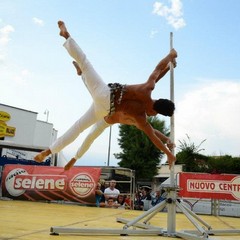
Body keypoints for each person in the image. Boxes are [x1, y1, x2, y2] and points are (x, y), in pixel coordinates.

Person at [34, 20, 177, 170]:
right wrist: (168, 154)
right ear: (155, 111)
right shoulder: (141, 118)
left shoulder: (147, 89)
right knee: (79, 127)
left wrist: (169, 58)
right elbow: (153, 138)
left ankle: (66, 37)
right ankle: (49, 151)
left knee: (84, 62)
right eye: (154, 114)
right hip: (104, 109)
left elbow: (157, 70)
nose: (152, 116)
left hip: (104, 96)